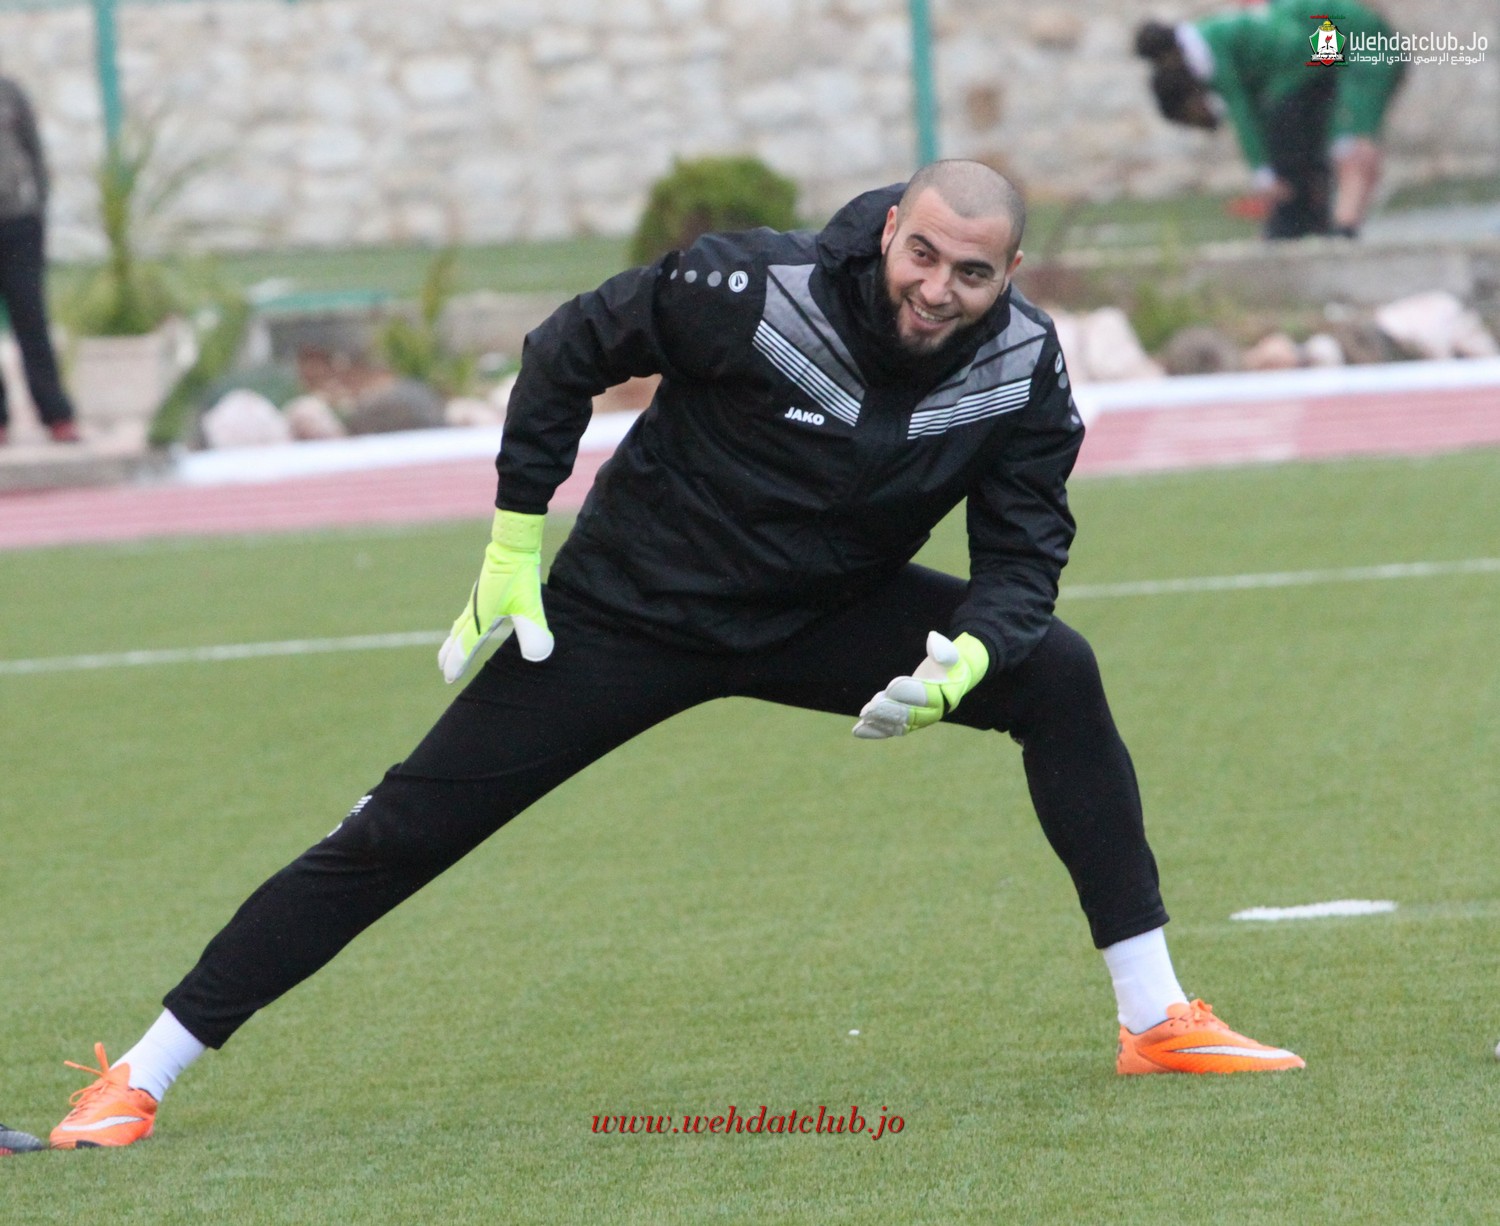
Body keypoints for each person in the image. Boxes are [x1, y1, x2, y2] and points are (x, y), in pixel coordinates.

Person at [50, 160, 1303, 1149]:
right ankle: (141, 1075)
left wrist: (974, 655)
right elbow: (568, 348)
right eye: (922, 254)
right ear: (890, 234)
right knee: (401, 828)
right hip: (631, 611)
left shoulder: (1024, 366)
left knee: (1056, 672)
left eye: (971, 272)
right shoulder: (749, 286)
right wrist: (516, 536)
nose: (937, 287)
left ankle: (1154, 1015)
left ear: (1009, 273)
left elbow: (1024, 548)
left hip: (825, 612)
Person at [1136, 1, 1404, 239]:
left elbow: (1243, 111)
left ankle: (1342, 228)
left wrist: (1262, 173)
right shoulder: (1212, 38)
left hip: (1327, 56)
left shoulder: (1208, 52)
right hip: (1314, 60)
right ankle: (1328, 223)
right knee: (1327, 143)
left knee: (1349, 144)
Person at [0, 70, 79, 445]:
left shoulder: (9, 93)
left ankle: (57, 415)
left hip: (19, 222)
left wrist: (39, 209)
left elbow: (34, 152)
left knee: (31, 320)